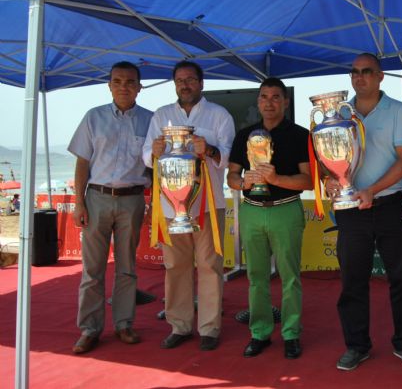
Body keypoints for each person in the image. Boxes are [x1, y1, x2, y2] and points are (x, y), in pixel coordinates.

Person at [327, 53, 402, 371]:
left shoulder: (398, 111)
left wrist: (373, 190)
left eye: (367, 71)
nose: (359, 77)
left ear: (381, 76)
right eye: (354, 72)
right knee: (352, 281)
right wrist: (330, 180)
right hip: (351, 210)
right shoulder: (339, 113)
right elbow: (329, 159)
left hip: (392, 206)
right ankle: (356, 346)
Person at [143, 60, 234, 351]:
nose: (185, 85)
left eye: (191, 79)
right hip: (171, 207)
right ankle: (179, 325)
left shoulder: (219, 115)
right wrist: (153, 152)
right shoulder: (161, 115)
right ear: (175, 84)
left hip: (208, 205)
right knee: (175, 266)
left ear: (201, 83)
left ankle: (210, 328)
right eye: (180, 80)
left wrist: (209, 149)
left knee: (210, 266)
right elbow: (146, 155)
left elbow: (229, 157)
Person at [68, 61, 153, 354]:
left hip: (132, 200)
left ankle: (124, 324)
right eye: (117, 81)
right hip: (97, 198)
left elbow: (155, 166)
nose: (123, 87)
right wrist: (79, 202)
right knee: (92, 269)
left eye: (130, 82)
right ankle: (89, 329)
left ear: (140, 87)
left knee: (127, 267)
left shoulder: (151, 121)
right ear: (109, 85)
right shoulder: (93, 117)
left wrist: (154, 203)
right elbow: (82, 162)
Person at [227, 77, 312, 359]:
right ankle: (260, 332)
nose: (269, 102)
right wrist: (244, 183)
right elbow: (232, 176)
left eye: (276, 97)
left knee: (290, 276)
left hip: (285, 209)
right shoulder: (244, 135)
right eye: (264, 97)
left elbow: (308, 180)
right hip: (251, 210)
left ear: (285, 102)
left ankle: (291, 333)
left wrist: (276, 179)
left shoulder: (300, 135)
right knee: (256, 276)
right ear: (258, 101)